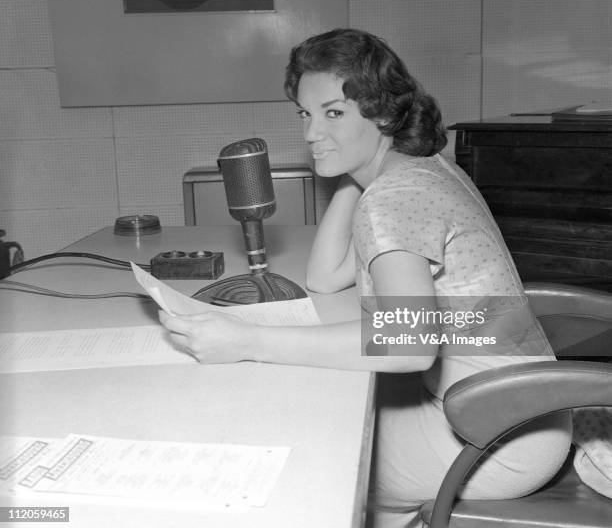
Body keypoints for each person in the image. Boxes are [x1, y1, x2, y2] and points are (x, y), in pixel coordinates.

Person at [159, 28, 572, 527]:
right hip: (527, 412)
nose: (312, 133)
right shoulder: (418, 171)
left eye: (334, 113)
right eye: (306, 114)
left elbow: (409, 344)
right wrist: (356, 174)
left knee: (308, 460)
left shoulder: (394, 197)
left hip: (493, 440)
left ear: (382, 113)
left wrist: (247, 339)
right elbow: (327, 276)